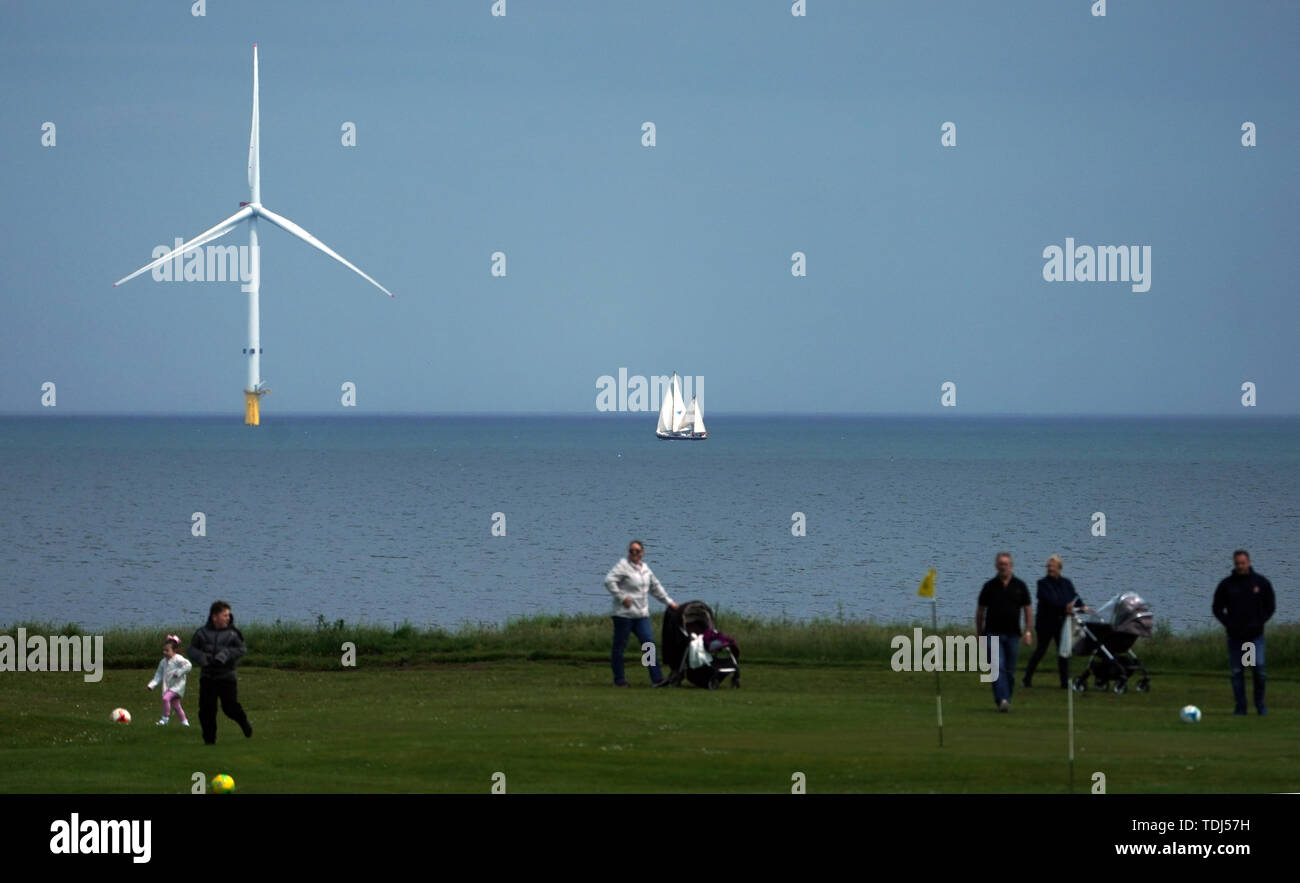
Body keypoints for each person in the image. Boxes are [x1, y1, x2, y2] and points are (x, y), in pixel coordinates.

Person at [603, 540, 679, 687]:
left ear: (642, 553)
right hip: (623, 615)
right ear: (628, 552)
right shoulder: (623, 566)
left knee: (648, 645)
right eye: (631, 551)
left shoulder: (645, 569)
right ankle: (619, 680)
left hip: (641, 615)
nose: (634, 554)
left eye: (637, 551)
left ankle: (656, 678)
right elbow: (609, 581)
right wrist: (622, 597)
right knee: (619, 648)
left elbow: (656, 588)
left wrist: (670, 602)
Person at [1212, 550, 1275, 716]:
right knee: (1237, 673)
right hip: (1235, 638)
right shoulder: (1227, 585)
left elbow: (1270, 606)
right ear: (1234, 564)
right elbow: (1217, 608)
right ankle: (1241, 708)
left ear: (1249, 562)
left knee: (1258, 670)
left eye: (1243, 563)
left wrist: (1260, 622)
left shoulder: (1260, 583)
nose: (1240, 566)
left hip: (1254, 638)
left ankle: (1260, 705)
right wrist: (1228, 624)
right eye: (1237, 563)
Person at [187, 600, 253, 743]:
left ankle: (243, 722)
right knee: (206, 711)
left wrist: (225, 655)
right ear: (214, 617)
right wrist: (203, 658)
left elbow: (242, 649)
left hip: (227, 677)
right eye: (224, 615)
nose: (228, 618)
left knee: (230, 708)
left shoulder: (233, 633)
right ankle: (209, 741)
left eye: (228, 615)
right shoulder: (201, 633)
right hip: (207, 677)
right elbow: (191, 650)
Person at [976, 551, 1032, 712]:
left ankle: (1005, 697)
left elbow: (1028, 610)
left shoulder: (1020, 586)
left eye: (1006, 564)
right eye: (1001, 564)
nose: (1003, 567)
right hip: (992, 633)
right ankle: (1003, 700)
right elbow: (980, 611)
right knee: (997, 667)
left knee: (1010, 671)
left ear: (1011, 566)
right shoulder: (989, 586)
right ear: (996, 566)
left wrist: (1028, 631)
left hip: (1013, 634)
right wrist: (979, 634)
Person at [1022, 556, 1090, 689]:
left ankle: (1064, 683)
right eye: (1048, 567)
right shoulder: (1042, 583)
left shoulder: (1066, 583)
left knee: (1063, 651)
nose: (1049, 569)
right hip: (1045, 622)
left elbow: (1074, 597)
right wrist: (1065, 606)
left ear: (1059, 568)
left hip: (1062, 622)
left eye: (1052, 567)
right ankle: (1026, 679)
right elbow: (1049, 600)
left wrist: (1081, 606)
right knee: (1041, 650)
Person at [146, 634, 192, 726]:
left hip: (178, 686)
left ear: (174, 651)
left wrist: (179, 672)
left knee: (165, 698)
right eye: (164, 650)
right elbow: (158, 674)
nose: (165, 652)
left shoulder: (178, 658)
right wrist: (152, 685)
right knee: (176, 706)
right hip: (169, 687)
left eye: (167, 650)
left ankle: (165, 719)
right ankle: (184, 722)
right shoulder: (163, 662)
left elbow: (188, 665)